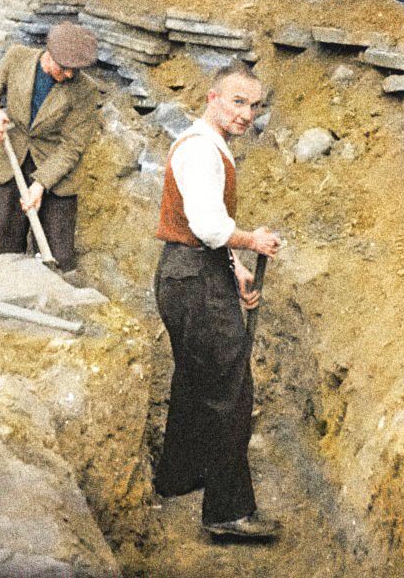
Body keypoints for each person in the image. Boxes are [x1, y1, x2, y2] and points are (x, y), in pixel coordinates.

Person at [154, 64, 281, 540]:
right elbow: (208, 226)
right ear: (212, 98)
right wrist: (252, 241)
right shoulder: (202, 151)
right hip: (193, 278)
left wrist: (235, 265)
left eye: (255, 105)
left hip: (189, 271)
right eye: (237, 102)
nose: (247, 114)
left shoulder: (205, 144)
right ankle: (228, 513)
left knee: (194, 377)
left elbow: (203, 229)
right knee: (230, 392)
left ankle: (179, 475)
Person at [0, 22, 99, 273]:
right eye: (65, 69)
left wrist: (40, 185)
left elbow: (72, 146)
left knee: (58, 253)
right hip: (13, 159)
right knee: (6, 243)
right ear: (48, 54)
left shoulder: (86, 90)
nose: (71, 75)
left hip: (56, 170)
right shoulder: (17, 58)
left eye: (76, 70)